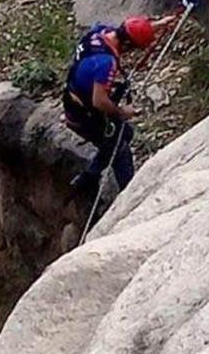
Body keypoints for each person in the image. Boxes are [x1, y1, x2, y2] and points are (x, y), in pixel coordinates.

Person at [62, 15, 177, 209]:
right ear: (128, 44)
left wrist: (157, 26)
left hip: (75, 101)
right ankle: (129, 201)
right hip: (85, 116)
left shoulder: (100, 33)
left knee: (126, 133)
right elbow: (99, 101)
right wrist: (122, 111)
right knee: (120, 151)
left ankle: (90, 176)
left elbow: (129, 32)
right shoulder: (106, 62)